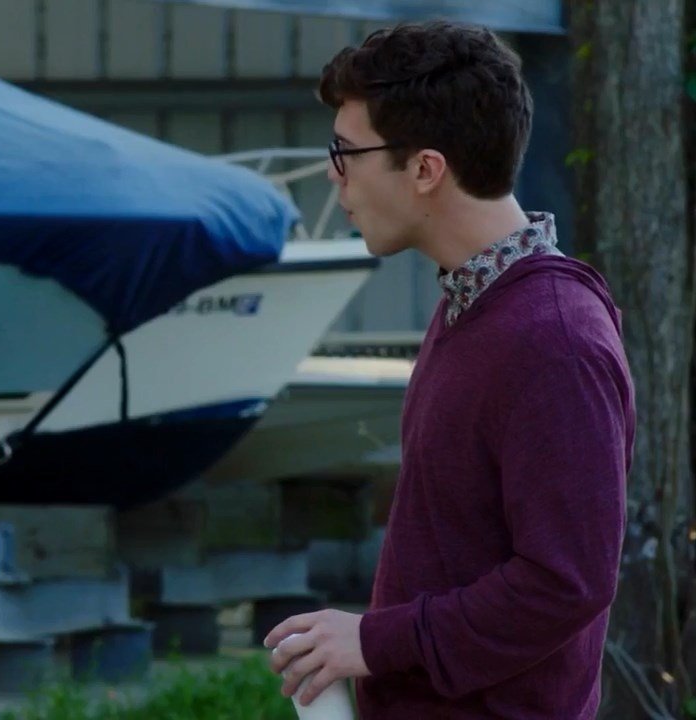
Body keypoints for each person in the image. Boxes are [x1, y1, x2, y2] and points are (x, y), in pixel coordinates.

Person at [262, 20, 635, 719]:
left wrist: (374, 641)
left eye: (346, 153)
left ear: (426, 170)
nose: (335, 177)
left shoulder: (554, 339)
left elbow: (567, 584)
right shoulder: (475, 303)